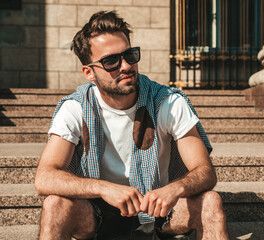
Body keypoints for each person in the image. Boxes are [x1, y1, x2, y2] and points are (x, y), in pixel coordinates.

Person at [35, 10, 229, 240]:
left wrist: (175, 189)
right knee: (54, 205)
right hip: (98, 212)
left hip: (160, 210)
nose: (126, 66)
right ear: (88, 72)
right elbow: (45, 178)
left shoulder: (167, 101)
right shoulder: (75, 107)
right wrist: (103, 188)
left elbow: (205, 172)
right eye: (111, 61)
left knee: (210, 202)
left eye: (130, 55)